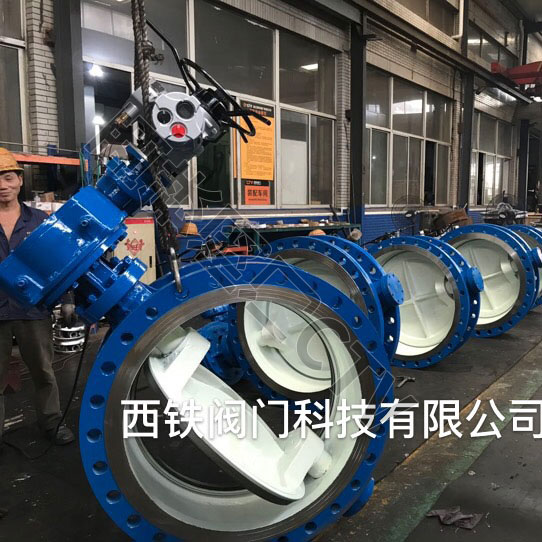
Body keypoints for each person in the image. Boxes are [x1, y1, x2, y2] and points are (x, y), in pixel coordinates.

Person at [0, 148, 74, 446]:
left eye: (8, 177)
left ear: (20, 180)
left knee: (43, 372)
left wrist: (67, 298)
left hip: (32, 309)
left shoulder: (39, 221)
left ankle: (51, 422)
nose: (3, 185)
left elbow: (59, 264)